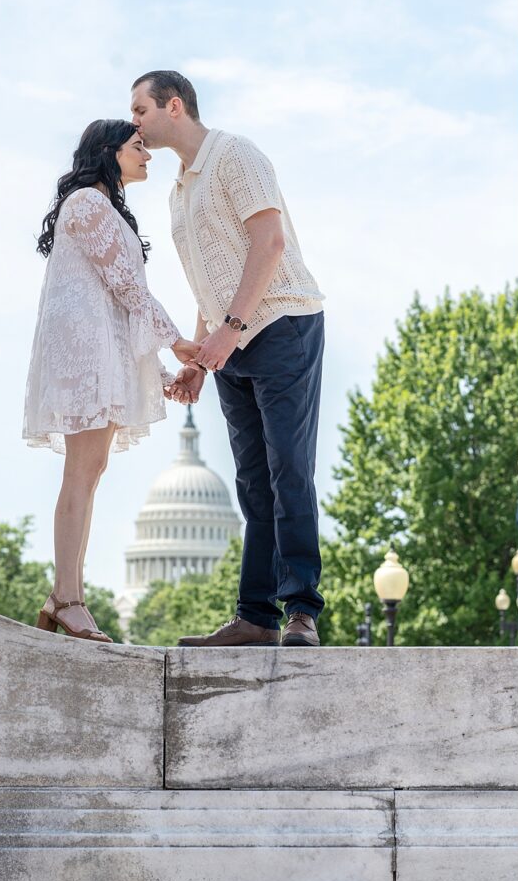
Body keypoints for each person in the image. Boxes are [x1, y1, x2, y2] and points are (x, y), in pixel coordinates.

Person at [130, 71, 326, 648]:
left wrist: (231, 329)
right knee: (253, 481)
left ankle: (300, 609)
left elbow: (270, 245)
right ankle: (256, 616)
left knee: (289, 468)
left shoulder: (236, 155)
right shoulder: (178, 192)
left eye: (140, 109)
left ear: (174, 106)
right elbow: (205, 283)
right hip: (230, 343)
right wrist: (199, 356)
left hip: (281, 323)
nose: (134, 120)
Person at [22, 119, 200, 642]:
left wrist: (161, 370)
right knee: (81, 472)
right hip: (84, 356)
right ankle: (66, 597)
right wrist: (179, 344)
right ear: (109, 151)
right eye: (138, 146)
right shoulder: (87, 203)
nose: (148, 154)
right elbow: (125, 287)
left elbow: (122, 307)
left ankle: (67, 596)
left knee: (92, 468)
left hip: (104, 352)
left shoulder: (104, 208)